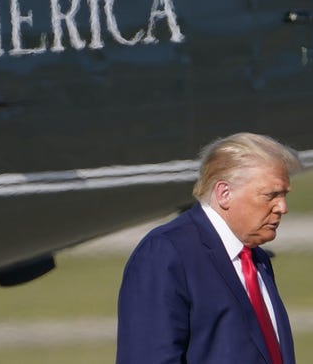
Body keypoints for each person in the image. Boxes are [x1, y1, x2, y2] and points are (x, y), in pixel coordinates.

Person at [116, 132, 302, 364]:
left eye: (284, 195)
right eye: (271, 195)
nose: (282, 207)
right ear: (224, 193)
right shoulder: (166, 254)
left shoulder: (256, 259)